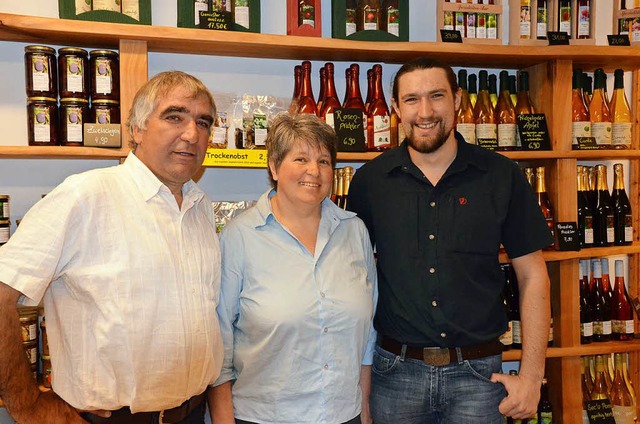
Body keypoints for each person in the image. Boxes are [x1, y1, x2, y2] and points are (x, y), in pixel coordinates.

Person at [0, 71, 223, 424]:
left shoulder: (200, 208)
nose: (192, 134)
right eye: (174, 116)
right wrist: (27, 405)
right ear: (136, 129)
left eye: (203, 122)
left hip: (192, 413)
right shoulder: (85, 196)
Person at [347, 57, 553, 423]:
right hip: (395, 374)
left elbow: (533, 276)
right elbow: (352, 277)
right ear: (396, 108)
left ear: (457, 100)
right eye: (411, 100)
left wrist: (532, 377)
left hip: (479, 376)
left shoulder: (501, 176)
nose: (424, 111)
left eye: (436, 96)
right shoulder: (370, 182)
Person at [208, 113, 377, 424]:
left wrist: (364, 408)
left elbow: (367, 338)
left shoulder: (354, 231)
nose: (313, 170)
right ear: (273, 166)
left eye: (324, 161)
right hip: (264, 417)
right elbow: (220, 341)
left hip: (344, 414)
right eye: (301, 158)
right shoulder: (239, 237)